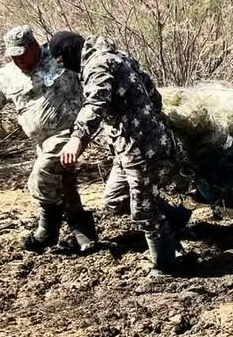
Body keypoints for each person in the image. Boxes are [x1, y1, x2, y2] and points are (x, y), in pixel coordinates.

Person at [0, 24, 98, 253]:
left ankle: (47, 228)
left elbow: (95, 66)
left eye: (21, 54)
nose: (18, 60)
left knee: (42, 175)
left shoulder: (58, 58)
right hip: (41, 140)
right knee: (63, 182)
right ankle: (83, 232)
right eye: (12, 56)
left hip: (69, 133)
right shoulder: (7, 76)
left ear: (33, 46)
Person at [57, 34, 182, 275]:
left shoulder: (98, 65)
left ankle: (166, 267)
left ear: (71, 51)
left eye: (61, 60)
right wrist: (154, 111)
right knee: (114, 200)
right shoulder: (118, 57)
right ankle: (174, 219)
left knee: (144, 212)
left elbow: (95, 102)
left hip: (142, 147)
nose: (62, 66)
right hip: (127, 147)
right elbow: (152, 91)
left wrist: (77, 139)